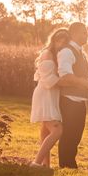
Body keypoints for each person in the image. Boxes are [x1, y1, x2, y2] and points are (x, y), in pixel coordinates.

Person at [56, 22, 88, 169]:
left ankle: (70, 164)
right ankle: (66, 166)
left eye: (86, 32)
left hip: (79, 100)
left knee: (76, 135)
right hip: (69, 100)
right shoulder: (67, 51)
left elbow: (80, 75)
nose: (86, 35)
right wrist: (84, 83)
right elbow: (65, 76)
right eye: (83, 32)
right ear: (73, 34)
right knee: (69, 135)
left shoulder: (81, 52)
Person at [29, 27, 70, 167]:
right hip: (45, 94)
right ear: (54, 40)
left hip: (52, 94)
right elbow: (47, 79)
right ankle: (36, 163)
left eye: (64, 42)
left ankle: (45, 165)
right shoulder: (47, 54)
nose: (61, 44)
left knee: (46, 131)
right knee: (57, 129)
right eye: (59, 40)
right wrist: (68, 81)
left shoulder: (58, 55)